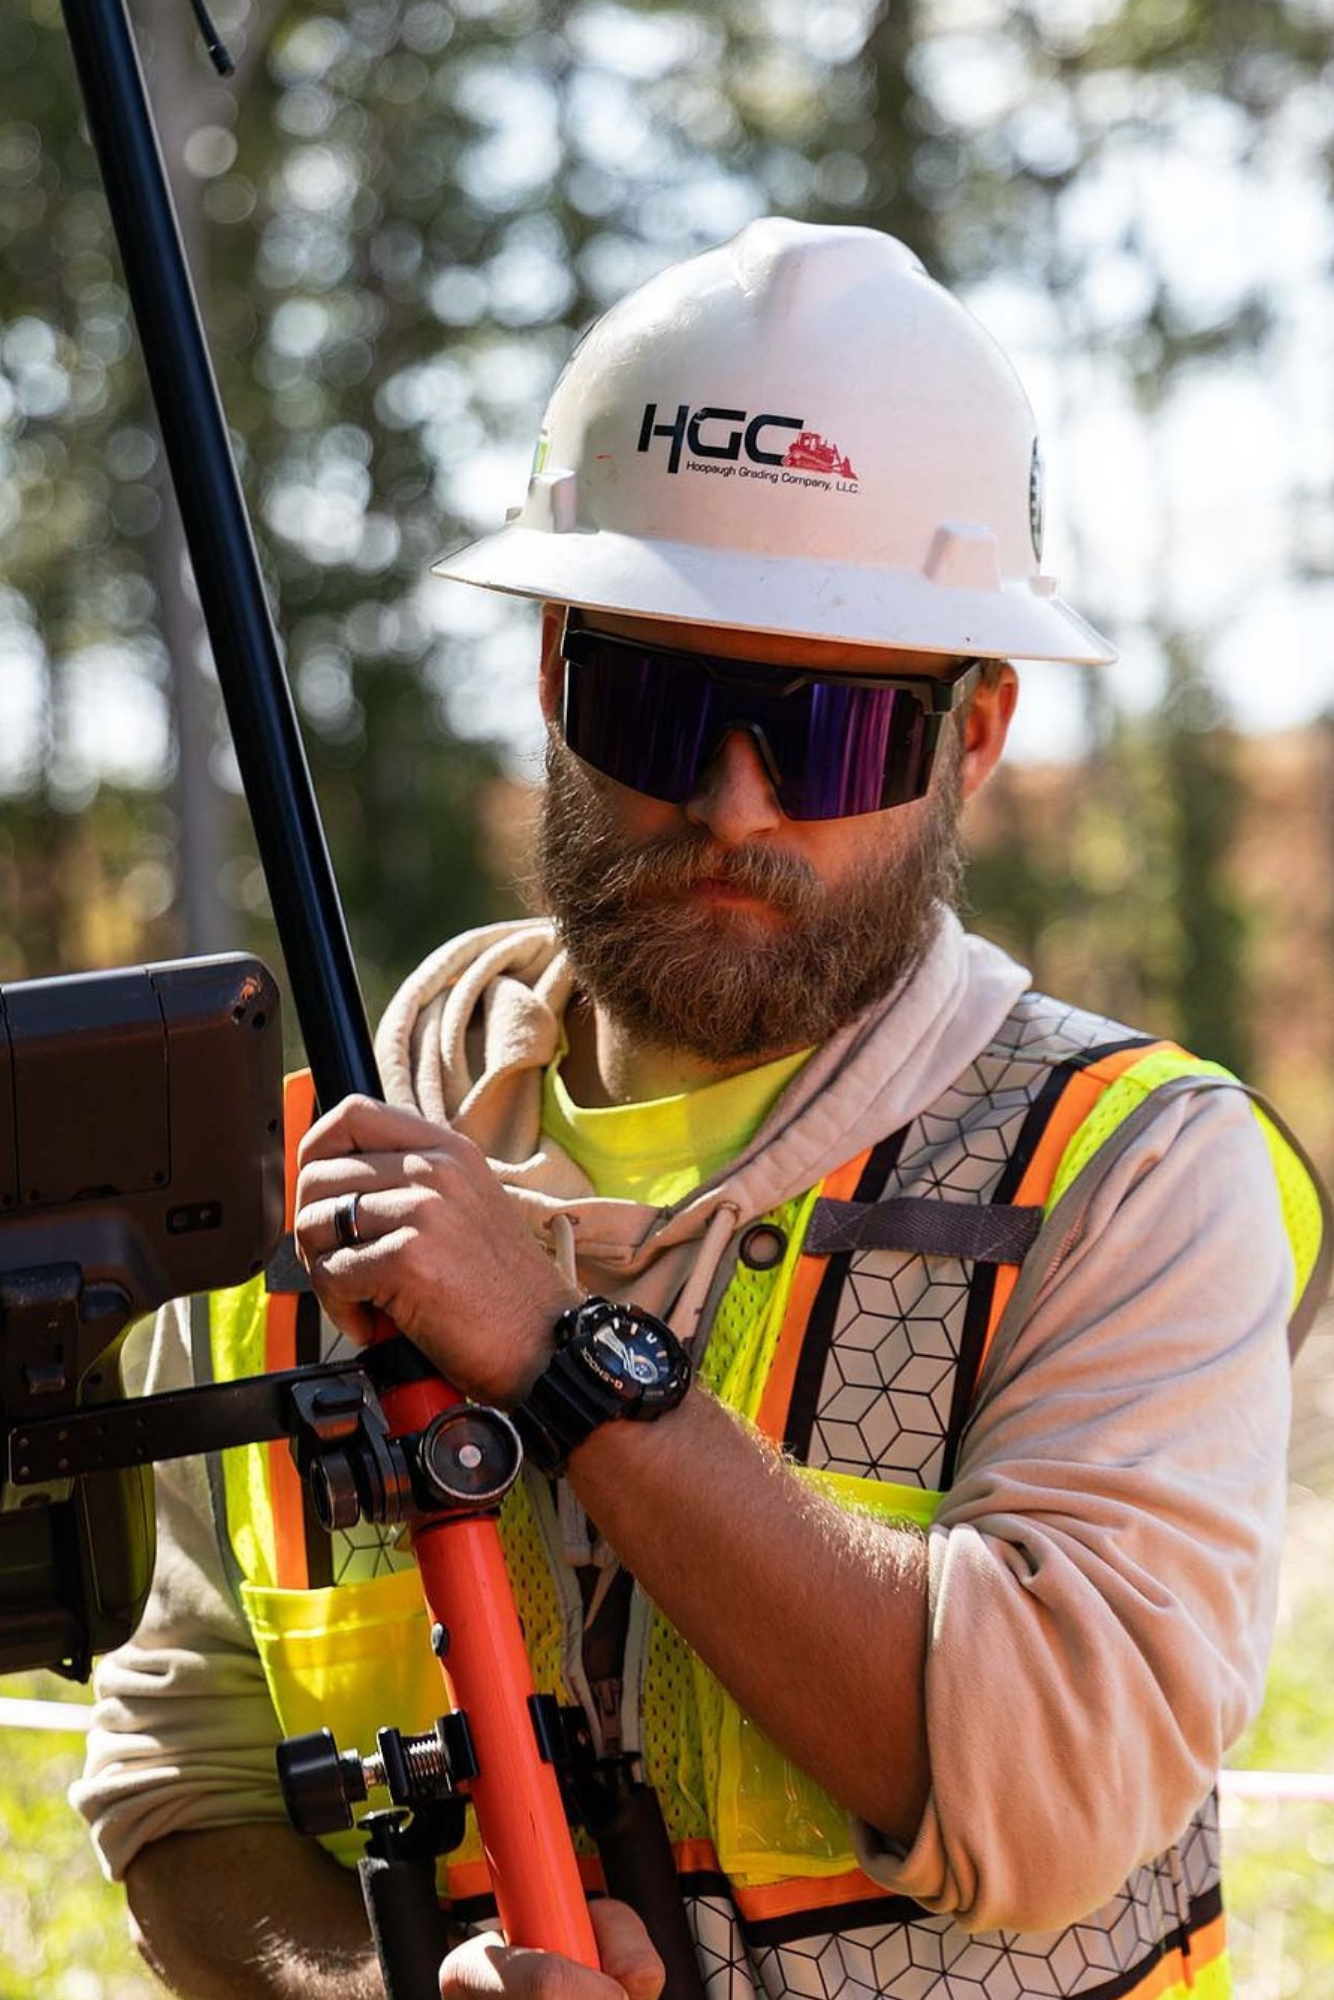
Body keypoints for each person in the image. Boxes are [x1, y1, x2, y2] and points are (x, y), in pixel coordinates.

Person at [72, 220, 1331, 2000]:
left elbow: (1055, 1784)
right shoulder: (301, 1180)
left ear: (974, 740)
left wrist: (562, 1355)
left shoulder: (1134, 1175)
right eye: (657, 699)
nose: (731, 802)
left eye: (829, 735)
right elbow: (181, 1777)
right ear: (550, 677)